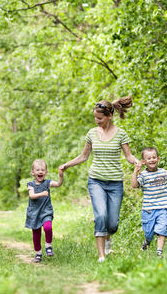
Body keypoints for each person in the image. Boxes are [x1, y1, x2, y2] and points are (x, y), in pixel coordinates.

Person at [59, 97, 141, 263]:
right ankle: (101, 256)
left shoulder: (121, 134)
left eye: (100, 118)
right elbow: (84, 156)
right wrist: (67, 165)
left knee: (113, 224)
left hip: (115, 183)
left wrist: (137, 161)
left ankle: (108, 238)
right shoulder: (91, 133)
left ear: (109, 116)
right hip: (96, 180)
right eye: (95, 118)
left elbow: (128, 155)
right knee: (101, 216)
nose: (96, 121)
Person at [26, 159, 63, 263]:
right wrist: (42, 193)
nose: (40, 172)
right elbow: (32, 196)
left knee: (48, 227)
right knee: (36, 234)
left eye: (43, 170)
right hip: (34, 212)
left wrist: (60, 176)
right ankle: (38, 253)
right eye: (38, 170)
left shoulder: (48, 182)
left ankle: (48, 246)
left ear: (46, 172)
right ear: (33, 172)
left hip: (46, 211)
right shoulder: (31, 184)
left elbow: (59, 184)